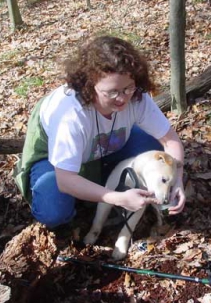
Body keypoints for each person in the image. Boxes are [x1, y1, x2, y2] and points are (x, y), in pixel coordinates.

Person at [14, 36, 186, 228]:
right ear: (89, 86)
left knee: (155, 150)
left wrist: (176, 179)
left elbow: (170, 140)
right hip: (54, 163)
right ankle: (81, 186)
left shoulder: (136, 96)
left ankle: (98, 178)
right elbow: (65, 180)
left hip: (105, 144)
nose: (122, 98)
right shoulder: (70, 115)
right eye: (112, 92)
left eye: (127, 88)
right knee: (54, 211)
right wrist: (117, 198)